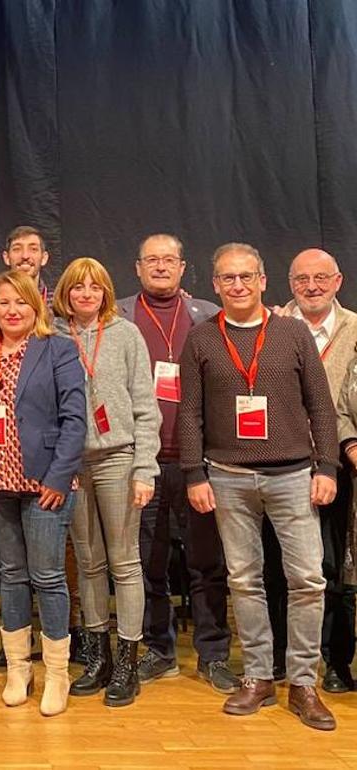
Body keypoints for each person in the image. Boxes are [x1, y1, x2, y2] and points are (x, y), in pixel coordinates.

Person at [180, 242, 338, 730]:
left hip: (293, 474)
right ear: (215, 285)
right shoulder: (202, 339)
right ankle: (257, 677)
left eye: (247, 276)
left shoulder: (291, 334)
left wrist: (327, 467)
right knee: (244, 581)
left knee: (307, 579)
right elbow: (189, 411)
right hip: (227, 476)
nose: (238, 285)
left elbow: (321, 406)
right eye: (228, 278)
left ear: (264, 281)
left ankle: (304, 682)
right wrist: (194, 473)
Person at [116, 233, 236, 694]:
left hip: (198, 462)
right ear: (137, 267)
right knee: (148, 562)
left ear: (184, 268)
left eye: (169, 260)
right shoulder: (119, 315)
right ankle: (159, 650)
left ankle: (213, 654)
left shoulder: (209, 315)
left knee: (208, 563)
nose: (161, 267)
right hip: (141, 461)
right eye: (152, 260)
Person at [0, 270, 86, 716]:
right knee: (12, 575)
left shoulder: (58, 350)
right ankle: (18, 669)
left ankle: (56, 674)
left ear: (37, 307)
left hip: (45, 485)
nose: (12, 310)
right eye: (3, 302)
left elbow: (75, 419)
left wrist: (58, 477)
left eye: (21, 302)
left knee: (49, 577)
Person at [52, 257, 160, 707]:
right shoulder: (52, 336)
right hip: (72, 464)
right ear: (66, 293)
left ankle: (127, 660)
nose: (86, 295)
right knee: (89, 561)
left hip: (119, 458)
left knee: (124, 560)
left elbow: (145, 405)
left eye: (95, 287)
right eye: (78, 287)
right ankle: (96, 656)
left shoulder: (126, 334)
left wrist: (145, 468)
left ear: (106, 293)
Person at [269, 248, 357, 693]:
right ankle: (281, 657)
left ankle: (336, 660)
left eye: (321, 278)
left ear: (338, 281)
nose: (312, 286)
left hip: (339, 463)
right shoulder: (270, 327)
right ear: (290, 282)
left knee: (334, 565)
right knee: (277, 566)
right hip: (280, 461)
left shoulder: (356, 328)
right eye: (302, 278)